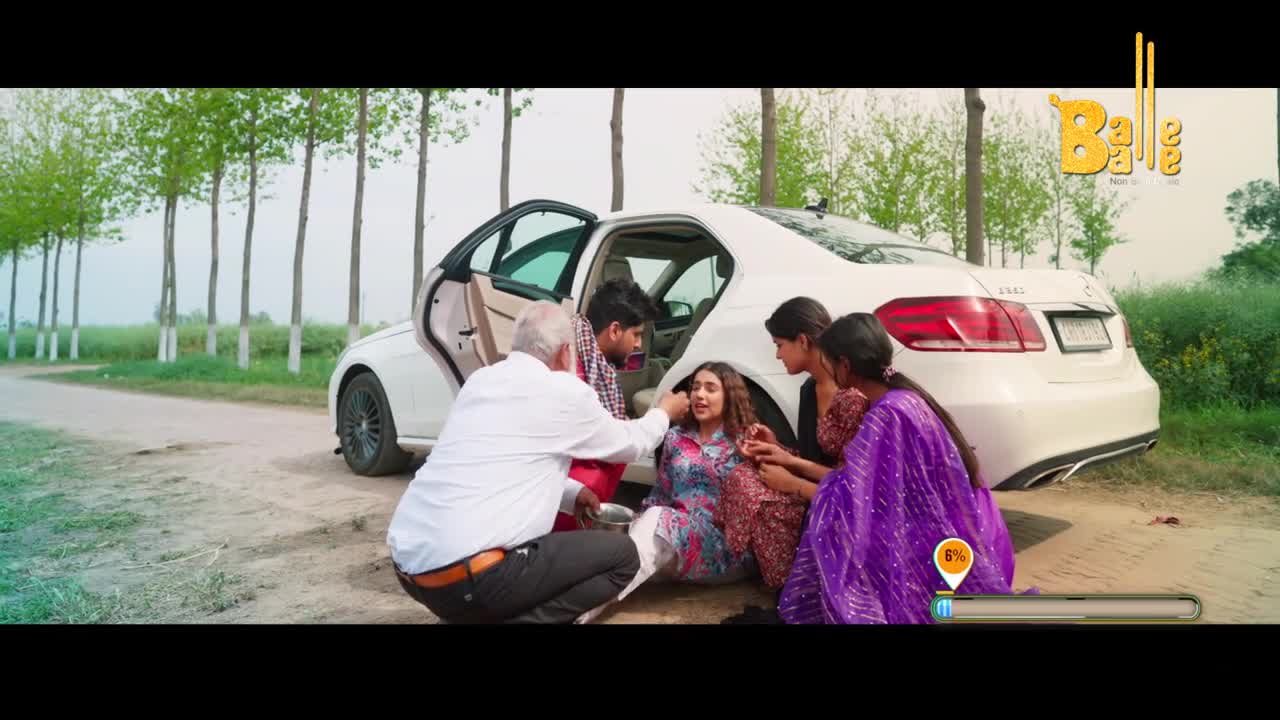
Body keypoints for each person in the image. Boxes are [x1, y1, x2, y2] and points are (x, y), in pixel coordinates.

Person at [385, 301, 690, 624]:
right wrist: (664, 412)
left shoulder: (480, 381)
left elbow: (507, 462)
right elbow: (631, 444)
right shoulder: (563, 391)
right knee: (623, 557)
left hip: (411, 571)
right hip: (469, 580)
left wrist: (571, 494)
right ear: (564, 352)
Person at [778, 313, 1020, 624]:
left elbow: (858, 502)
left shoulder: (886, 416)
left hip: (924, 546)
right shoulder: (905, 399)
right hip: (953, 538)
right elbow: (861, 483)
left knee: (828, 522)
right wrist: (791, 462)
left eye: (827, 362)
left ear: (845, 366)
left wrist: (793, 485)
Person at [714, 297, 869, 588]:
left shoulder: (850, 396)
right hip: (818, 486)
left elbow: (853, 482)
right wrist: (775, 448)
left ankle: (795, 583)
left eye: (779, 345)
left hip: (845, 503)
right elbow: (813, 458)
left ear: (803, 341)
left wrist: (790, 482)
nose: (777, 355)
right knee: (742, 474)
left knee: (750, 491)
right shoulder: (810, 389)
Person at [551, 277, 661, 533]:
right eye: (636, 334)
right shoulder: (574, 376)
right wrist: (663, 414)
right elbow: (619, 444)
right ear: (614, 330)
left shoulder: (585, 357)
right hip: (559, 500)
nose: (638, 344)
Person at [635, 361, 759, 584]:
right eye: (695, 388)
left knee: (655, 523)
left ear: (729, 396)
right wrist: (638, 519)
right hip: (679, 533)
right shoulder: (675, 437)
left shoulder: (745, 443)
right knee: (641, 529)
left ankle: (597, 596)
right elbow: (662, 491)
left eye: (710, 389)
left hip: (723, 546)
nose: (700, 395)